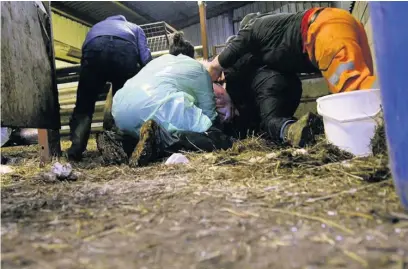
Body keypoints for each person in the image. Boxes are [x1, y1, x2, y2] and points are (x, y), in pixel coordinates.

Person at [206, 8, 377, 146]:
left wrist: (214, 66)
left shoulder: (255, 29)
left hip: (324, 32)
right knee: (372, 92)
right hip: (344, 22)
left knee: (356, 95)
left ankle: (386, 134)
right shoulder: (266, 49)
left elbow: (240, 43)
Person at [96, 33, 234, 167]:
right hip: (155, 108)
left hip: (120, 114)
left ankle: (121, 141)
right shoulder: (198, 69)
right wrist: (220, 134)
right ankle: (159, 139)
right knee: (215, 138)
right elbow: (209, 115)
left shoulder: (157, 62)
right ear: (192, 56)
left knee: (143, 133)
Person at [66, 15, 152, 161]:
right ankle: (121, 146)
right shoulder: (135, 28)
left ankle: (76, 148)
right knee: (123, 103)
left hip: (95, 49)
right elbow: (145, 58)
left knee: (85, 104)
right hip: (124, 52)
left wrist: (88, 80)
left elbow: (84, 53)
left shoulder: (96, 26)